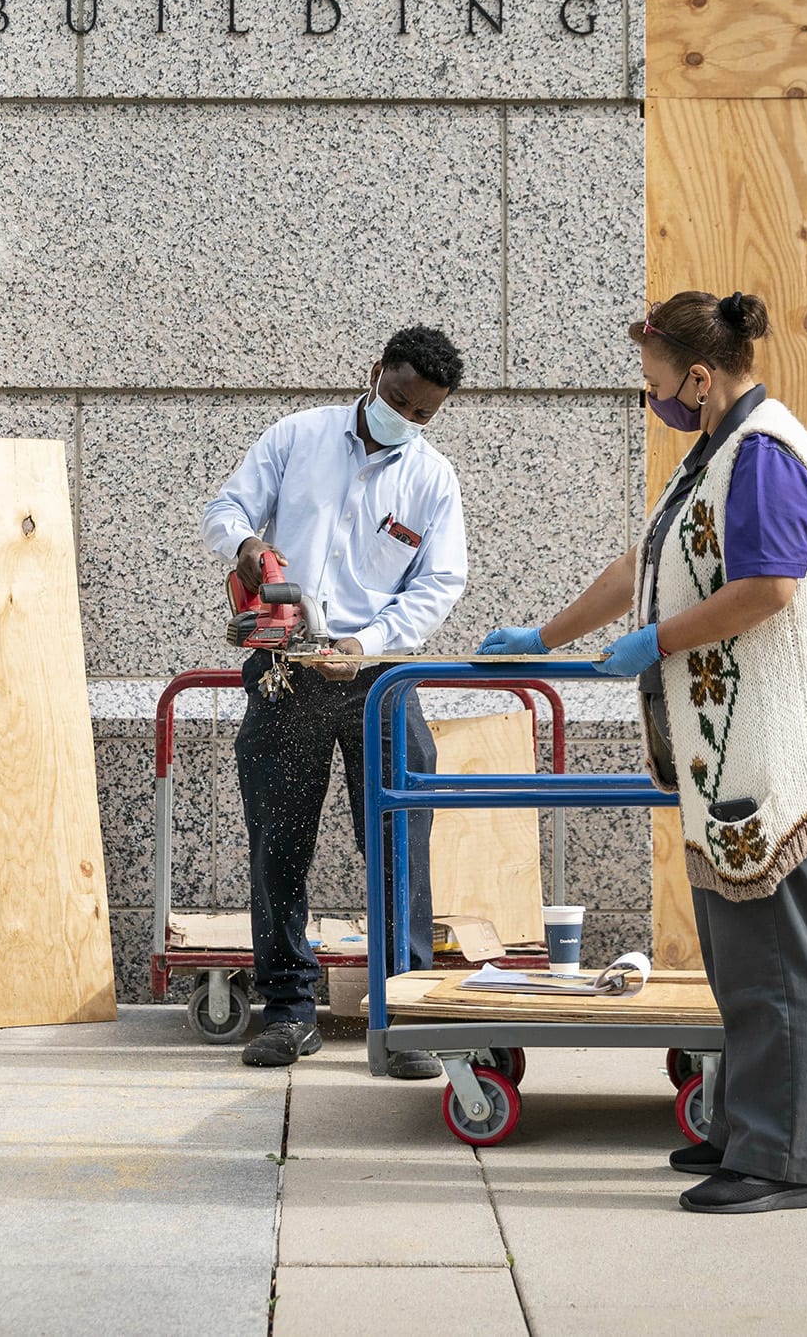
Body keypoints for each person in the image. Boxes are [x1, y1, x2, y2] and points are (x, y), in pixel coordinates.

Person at [480, 290, 807, 1214]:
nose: (651, 398)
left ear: (700, 374)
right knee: (740, 957)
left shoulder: (763, 456)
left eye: (656, 382)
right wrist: (547, 633)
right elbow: (638, 569)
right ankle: (743, 1131)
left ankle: (782, 1162)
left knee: (774, 961)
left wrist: (665, 640)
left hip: (771, 746)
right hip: (725, 750)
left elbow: (769, 585)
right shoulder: (714, 452)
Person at [202, 325, 470, 1076]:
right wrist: (247, 547)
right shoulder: (298, 436)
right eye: (398, 400)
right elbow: (224, 508)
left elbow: (441, 582)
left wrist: (370, 641)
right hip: (287, 668)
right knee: (278, 843)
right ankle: (288, 1008)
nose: (406, 420)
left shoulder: (432, 480)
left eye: (423, 414)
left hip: (379, 678)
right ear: (375, 370)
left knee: (396, 846)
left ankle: (403, 1015)